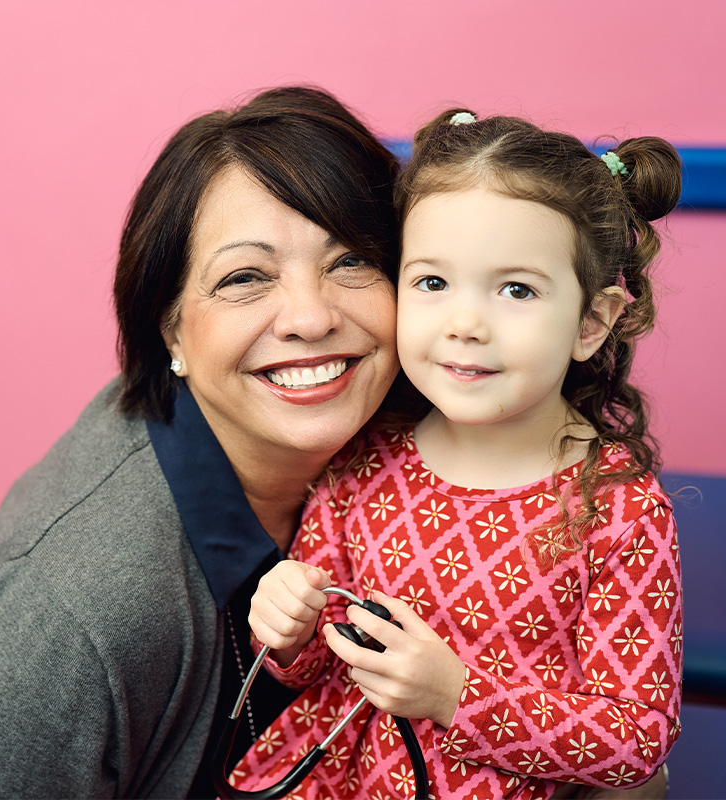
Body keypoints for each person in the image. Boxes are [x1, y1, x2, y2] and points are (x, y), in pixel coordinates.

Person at [0, 85, 404, 799]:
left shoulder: (402, 420)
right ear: (171, 335)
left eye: (352, 260)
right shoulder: (79, 604)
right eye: (245, 278)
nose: (312, 317)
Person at [232, 111, 684, 799]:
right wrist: (288, 627)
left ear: (591, 322)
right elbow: (318, 658)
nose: (465, 326)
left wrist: (456, 696)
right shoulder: (366, 457)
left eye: (516, 290)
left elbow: (638, 738)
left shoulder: (617, 510)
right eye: (433, 283)